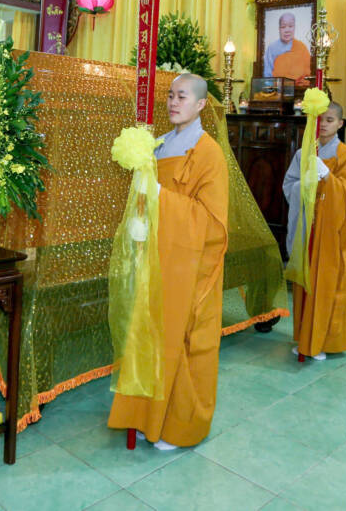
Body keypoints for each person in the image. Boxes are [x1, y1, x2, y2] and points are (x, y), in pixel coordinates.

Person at [108, 73, 229, 450]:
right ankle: (145, 416)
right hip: (154, 256)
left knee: (183, 339)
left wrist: (161, 196)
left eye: (182, 97)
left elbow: (212, 222)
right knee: (148, 336)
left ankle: (179, 426)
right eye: (171, 95)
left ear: (201, 104)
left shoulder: (209, 153)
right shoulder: (159, 145)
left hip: (186, 264)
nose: (173, 102)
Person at [283, 101, 346, 359]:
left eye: (329, 120)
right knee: (306, 284)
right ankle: (306, 337)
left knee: (327, 285)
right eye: (319, 120)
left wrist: (328, 178)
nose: (323, 125)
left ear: (340, 123)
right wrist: (304, 187)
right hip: (308, 228)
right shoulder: (304, 153)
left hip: (331, 235)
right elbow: (289, 186)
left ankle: (324, 341)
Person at [263, 12, 313, 86]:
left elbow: (307, 76)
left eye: (290, 26)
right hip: (277, 89)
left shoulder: (302, 48)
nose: (287, 30)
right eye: (283, 27)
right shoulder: (272, 48)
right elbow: (268, 77)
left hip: (298, 90)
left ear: (294, 27)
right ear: (279, 29)